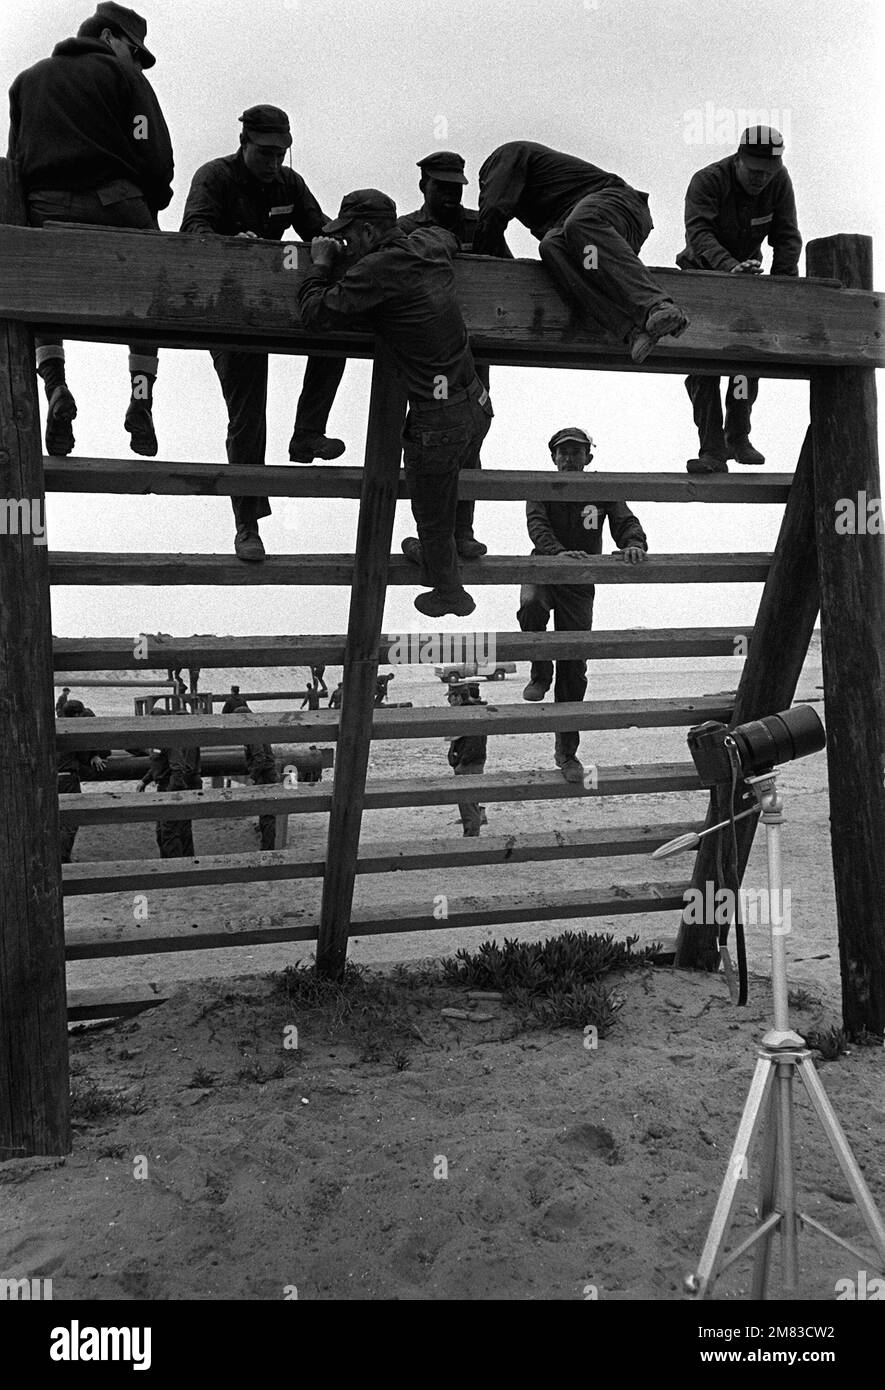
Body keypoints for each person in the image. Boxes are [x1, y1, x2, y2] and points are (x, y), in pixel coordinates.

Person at [298, 189, 493, 617]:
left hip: (437, 418)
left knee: (431, 507)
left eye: (348, 236)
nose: (345, 244)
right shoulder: (428, 245)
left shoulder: (376, 269)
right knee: (448, 490)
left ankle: (450, 593)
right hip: (476, 401)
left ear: (368, 231)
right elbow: (447, 235)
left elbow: (316, 315)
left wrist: (321, 264)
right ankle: (438, 551)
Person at [181, 105, 346, 562]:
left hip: (275, 305)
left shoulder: (288, 184)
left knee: (336, 334)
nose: (274, 163)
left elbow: (319, 228)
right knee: (248, 415)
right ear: (244, 143)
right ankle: (246, 523)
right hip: (227, 309)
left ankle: (308, 432)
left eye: (282, 154)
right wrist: (230, 244)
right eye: (266, 153)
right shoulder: (214, 177)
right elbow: (192, 230)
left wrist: (347, 239)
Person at [8, 3, 173, 459]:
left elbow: (15, 164)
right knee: (154, 288)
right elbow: (154, 152)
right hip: (116, 204)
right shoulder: (126, 79)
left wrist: (31, 222)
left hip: (46, 206)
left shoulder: (26, 81)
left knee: (36, 292)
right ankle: (141, 397)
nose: (137, 62)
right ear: (108, 38)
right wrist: (154, 198)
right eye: (135, 51)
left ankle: (56, 386)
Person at [472, 141, 688, 364]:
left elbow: (493, 212)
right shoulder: (540, 206)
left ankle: (658, 305)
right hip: (593, 249)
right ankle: (631, 332)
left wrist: (475, 270)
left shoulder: (506, 156)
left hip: (622, 208)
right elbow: (497, 249)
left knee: (580, 222)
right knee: (551, 246)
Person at [517, 427, 648, 783]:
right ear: (553, 458)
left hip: (580, 581)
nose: (569, 458)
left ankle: (566, 752)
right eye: (563, 452)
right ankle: (540, 672)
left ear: (589, 457)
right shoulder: (540, 487)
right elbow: (537, 528)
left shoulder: (602, 489)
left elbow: (626, 522)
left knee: (573, 668)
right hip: (545, 567)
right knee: (531, 605)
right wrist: (558, 554)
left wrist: (633, 543)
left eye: (577, 452)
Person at [397, 150, 509, 558]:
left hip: (472, 351)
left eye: (455, 188)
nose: (449, 196)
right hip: (428, 354)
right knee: (427, 439)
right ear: (423, 184)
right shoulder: (406, 228)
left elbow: (510, 275)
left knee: (470, 440)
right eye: (441, 187)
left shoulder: (480, 226)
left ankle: (462, 532)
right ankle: (432, 536)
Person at [678, 126, 802, 474]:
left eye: (769, 172)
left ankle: (738, 437)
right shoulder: (707, 181)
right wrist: (729, 267)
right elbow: (698, 233)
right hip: (702, 278)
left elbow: (787, 237)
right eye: (755, 172)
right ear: (738, 160)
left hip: (749, 283)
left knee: (747, 363)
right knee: (703, 367)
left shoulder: (778, 181)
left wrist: (780, 291)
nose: (762, 179)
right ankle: (712, 451)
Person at [135, 709, 200, 857]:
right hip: (169, 787)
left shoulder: (171, 739)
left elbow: (179, 769)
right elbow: (159, 765)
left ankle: (175, 868)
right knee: (171, 830)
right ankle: (181, 864)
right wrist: (145, 781)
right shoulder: (159, 739)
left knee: (170, 831)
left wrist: (171, 793)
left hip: (173, 788)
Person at [221, 696, 279, 850]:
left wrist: (252, 776)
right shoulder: (255, 729)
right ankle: (266, 846)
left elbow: (259, 757)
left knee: (267, 815)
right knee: (265, 812)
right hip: (266, 775)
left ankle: (267, 849)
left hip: (266, 777)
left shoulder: (253, 733)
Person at [57, 699, 110, 862]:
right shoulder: (75, 731)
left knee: (56, 820)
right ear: (77, 715)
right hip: (68, 778)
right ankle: (63, 858)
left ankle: (57, 857)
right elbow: (85, 755)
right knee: (71, 820)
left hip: (51, 778)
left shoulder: (57, 725)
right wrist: (94, 754)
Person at [446, 680, 488, 836]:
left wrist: (461, 762)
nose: (449, 701)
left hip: (468, 765)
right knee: (471, 803)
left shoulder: (468, 714)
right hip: (470, 763)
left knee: (468, 805)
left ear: (457, 698)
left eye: (450, 697)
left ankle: (471, 838)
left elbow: (473, 744)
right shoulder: (473, 711)